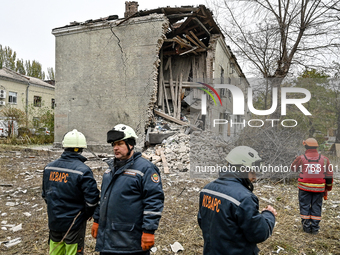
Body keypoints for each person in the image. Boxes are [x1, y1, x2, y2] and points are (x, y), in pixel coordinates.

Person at [91, 124, 164, 255]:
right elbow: (104, 197)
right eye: (113, 144)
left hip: (130, 242)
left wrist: (149, 231)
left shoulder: (145, 169)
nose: (115, 148)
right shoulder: (110, 170)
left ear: (131, 144)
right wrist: (97, 220)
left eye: (119, 144)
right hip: (107, 242)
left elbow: (154, 200)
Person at [197, 146, 277, 255]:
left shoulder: (207, 189)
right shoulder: (244, 198)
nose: (255, 177)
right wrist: (269, 215)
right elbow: (259, 233)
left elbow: (203, 221)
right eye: (253, 171)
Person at [42, 129, 100, 255]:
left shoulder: (49, 168)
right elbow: (92, 200)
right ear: (81, 149)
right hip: (74, 224)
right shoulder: (83, 171)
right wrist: (86, 214)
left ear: (64, 147)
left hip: (54, 221)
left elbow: (45, 195)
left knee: (55, 250)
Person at [290, 138, 333, 234]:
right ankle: (314, 229)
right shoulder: (325, 160)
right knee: (316, 207)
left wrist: (296, 160)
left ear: (305, 146)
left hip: (304, 188)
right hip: (319, 189)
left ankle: (306, 227)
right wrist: (328, 188)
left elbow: (293, 169)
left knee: (304, 206)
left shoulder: (301, 158)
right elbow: (329, 176)